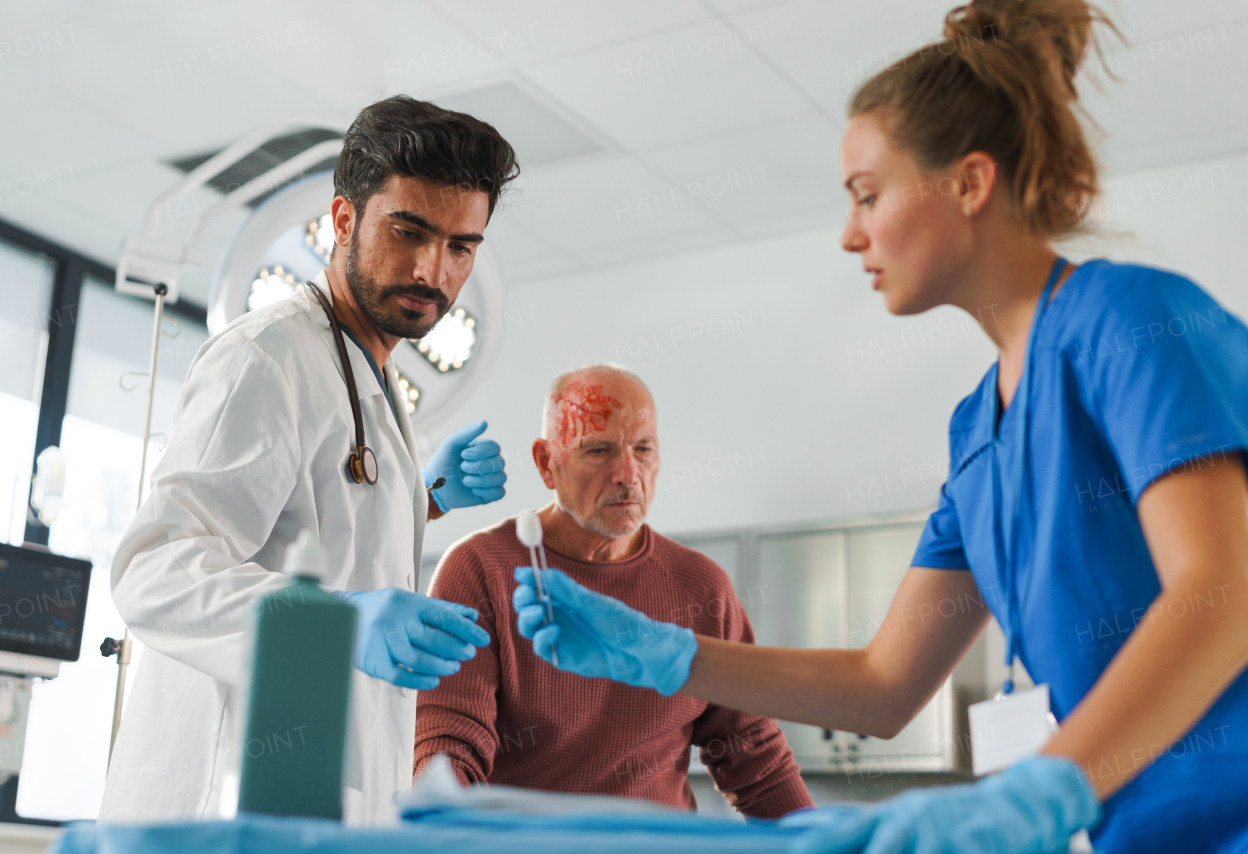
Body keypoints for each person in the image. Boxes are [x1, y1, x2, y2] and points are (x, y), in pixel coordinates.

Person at [512, 2, 1248, 852]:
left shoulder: (1130, 323)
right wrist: (672, 656)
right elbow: (884, 685)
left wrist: (1045, 789)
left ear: (970, 183)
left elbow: (1223, 593)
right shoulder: (980, 430)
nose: (850, 233)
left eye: (868, 195)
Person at [102, 95, 517, 826]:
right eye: (409, 230)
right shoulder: (265, 358)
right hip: (221, 804)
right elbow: (154, 570)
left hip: (327, 800)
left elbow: (306, 523)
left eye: (461, 247)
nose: (432, 269)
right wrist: (336, 626)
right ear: (344, 219)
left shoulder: (372, 369)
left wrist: (421, 499)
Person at [415, 365, 812, 817]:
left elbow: (756, 761)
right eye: (599, 450)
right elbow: (449, 744)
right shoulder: (480, 570)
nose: (628, 473)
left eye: (643, 449)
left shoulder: (701, 585)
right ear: (548, 463)